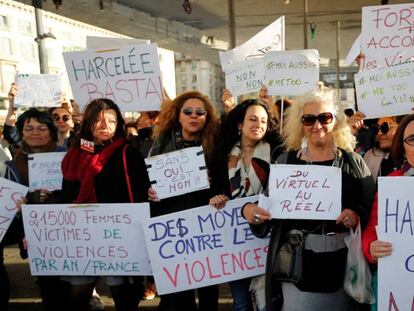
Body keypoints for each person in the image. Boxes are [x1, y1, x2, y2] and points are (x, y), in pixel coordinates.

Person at [242, 87, 375, 311]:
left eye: (324, 117)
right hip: (297, 263)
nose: (317, 125)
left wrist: (356, 214)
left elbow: (371, 204)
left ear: (336, 121)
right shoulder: (285, 161)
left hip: (344, 263)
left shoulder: (353, 162)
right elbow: (267, 206)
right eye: (309, 119)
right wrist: (250, 210)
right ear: (300, 124)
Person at [60, 98, 150, 311]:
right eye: (98, 120)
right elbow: (67, 193)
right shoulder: (74, 154)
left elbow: (140, 191)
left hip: (119, 236)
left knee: (123, 296)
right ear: (88, 123)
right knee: (78, 295)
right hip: (82, 235)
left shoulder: (129, 153)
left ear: (118, 124)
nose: (105, 126)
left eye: (111, 121)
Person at [148, 91, 220, 311]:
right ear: (178, 115)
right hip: (173, 226)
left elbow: (224, 182)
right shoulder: (160, 143)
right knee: (180, 292)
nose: (194, 116)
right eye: (187, 112)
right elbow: (147, 178)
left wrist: (213, 186)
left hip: (205, 227)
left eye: (200, 112)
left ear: (206, 117)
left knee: (208, 286)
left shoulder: (216, 145)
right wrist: (150, 192)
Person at [209, 99, 281, 311]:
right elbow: (215, 191)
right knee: (240, 304)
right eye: (252, 119)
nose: (258, 124)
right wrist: (215, 198)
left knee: (266, 302)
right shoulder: (222, 156)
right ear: (240, 124)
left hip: (267, 238)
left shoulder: (278, 153)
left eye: (263, 121)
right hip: (235, 242)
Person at [1, 108, 68, 311]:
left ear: (51, 132)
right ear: (22, 133)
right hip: (32, 234)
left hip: (66, 231)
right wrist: (25, 201)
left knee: (65, 286)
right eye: (29, 128)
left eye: (41, 128)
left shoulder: (65, 158)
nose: (35, 133)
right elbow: (8, 204)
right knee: (48, 285)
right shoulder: (12, 166)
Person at [362, 114, 414, 311]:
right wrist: (371, 247)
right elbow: (370, 231)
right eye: (412, 139)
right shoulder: (393, 183)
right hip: (402, 291)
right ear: (402, 147)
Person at [363, 116, 402, 181]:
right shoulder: (370, 155)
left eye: (384, 127)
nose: (379, 133)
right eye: (377, 128)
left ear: (402, 126)